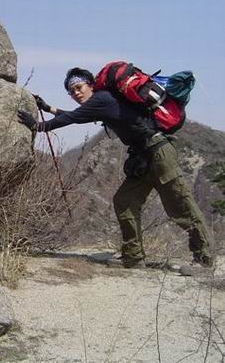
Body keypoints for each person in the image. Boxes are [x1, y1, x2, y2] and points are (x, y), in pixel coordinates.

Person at [17, 67, 213, 269]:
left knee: (180, 205)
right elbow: (77, 116)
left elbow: (73, 118)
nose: (76, 93)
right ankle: (133, 257)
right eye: (71, 91)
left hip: (159, 154)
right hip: (143, 157)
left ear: (91, 85)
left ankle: (204, 259)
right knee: (124, 201)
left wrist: (38, 126)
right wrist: (48, 108)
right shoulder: (102, 102)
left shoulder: (102, 99)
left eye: (79, 87)